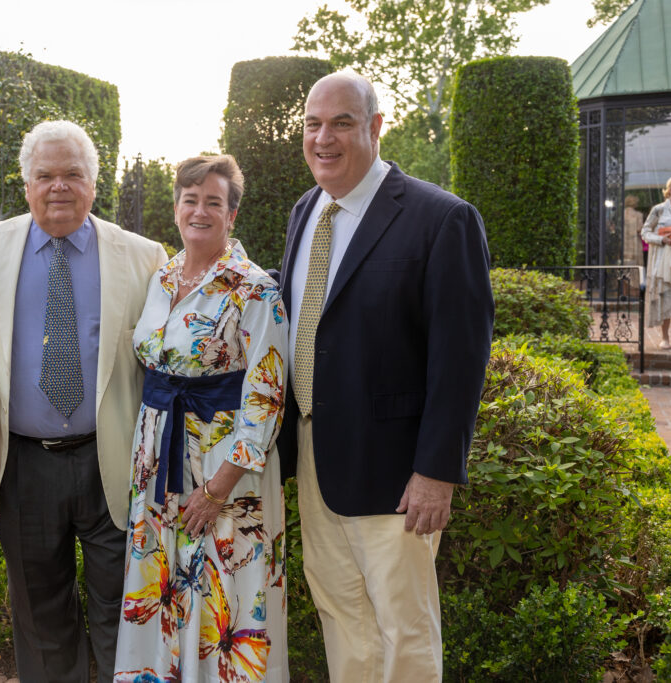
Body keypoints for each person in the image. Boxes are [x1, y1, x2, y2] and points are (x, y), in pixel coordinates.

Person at [275, 71, 494, 682]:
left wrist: (436, 471)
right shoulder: (306, 211)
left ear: (375, 127)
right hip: (317, 455)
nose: (324, 138)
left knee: (404, 624)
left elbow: (461, 357)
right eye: (313, 124)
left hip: (398, 471)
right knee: (340, 610)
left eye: (342, 122)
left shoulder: (440, 219)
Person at [0, 120, 167, 683]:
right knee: (40, 619)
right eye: (45, 175)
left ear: (95, 184)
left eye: (73, 174)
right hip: (22, 466)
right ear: (26, 184)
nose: (59, 187)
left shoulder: (144, 257)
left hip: (112, 464)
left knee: (124, 613)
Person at [113, 155, 289, 682]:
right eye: (191, 200)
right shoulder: (161, 279)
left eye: (214, 201)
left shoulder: (255, 289)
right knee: (162, 588)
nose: (200, 211)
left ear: (232, 215)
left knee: (222, 596)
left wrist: (218, 489)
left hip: (224, 468)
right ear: (176, 208)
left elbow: (268, 394)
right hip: (157, 466)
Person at [642, 175, 671, 348]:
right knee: (667, 298)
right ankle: (665, 338)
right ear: (670, 190)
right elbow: (645, 232)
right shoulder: (658, 210)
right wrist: (661, 239)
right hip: (665, 263)